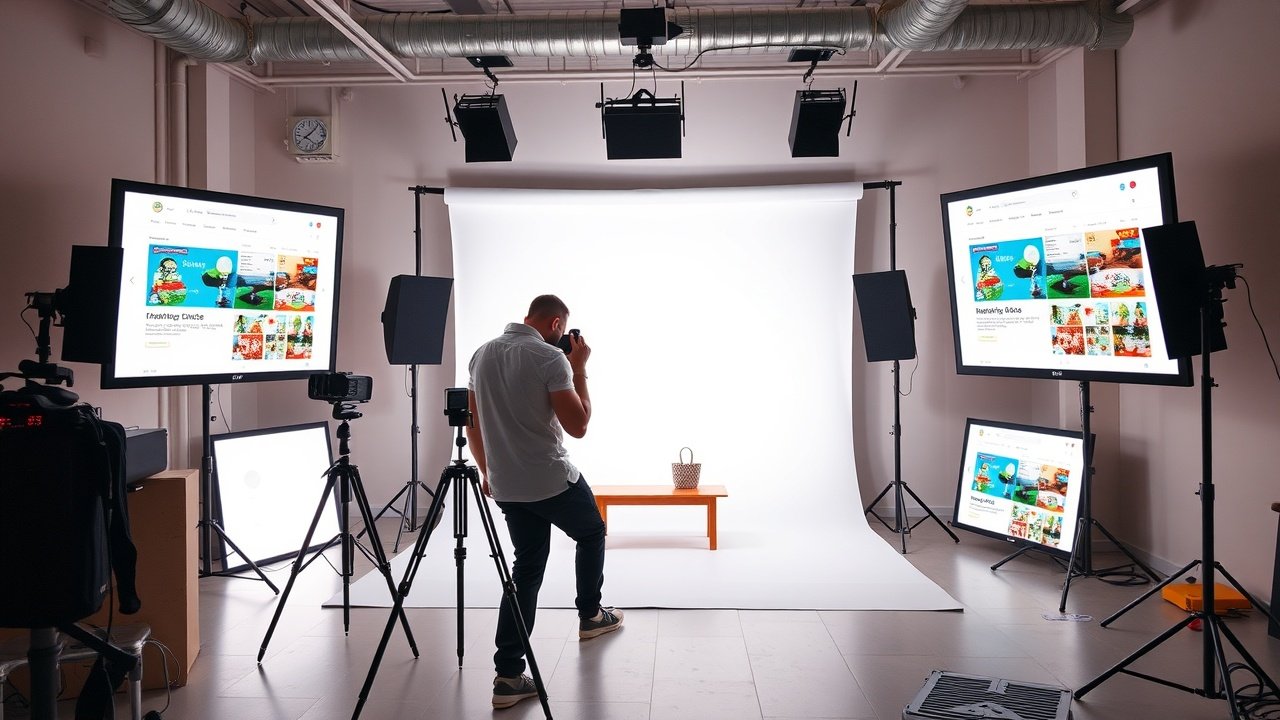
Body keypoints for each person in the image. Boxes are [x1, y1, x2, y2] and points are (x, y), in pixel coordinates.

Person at [465, 294, 623, 710]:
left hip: (509, 485)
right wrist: (580, 369)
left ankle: (509, 676)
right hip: (550, 480)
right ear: (556, 324)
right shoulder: (550, 359)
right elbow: (579, 426)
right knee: (591, 532)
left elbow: (472, 423)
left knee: (527, 567)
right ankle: (590, 615)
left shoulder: (481, 355)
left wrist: (487, 472)